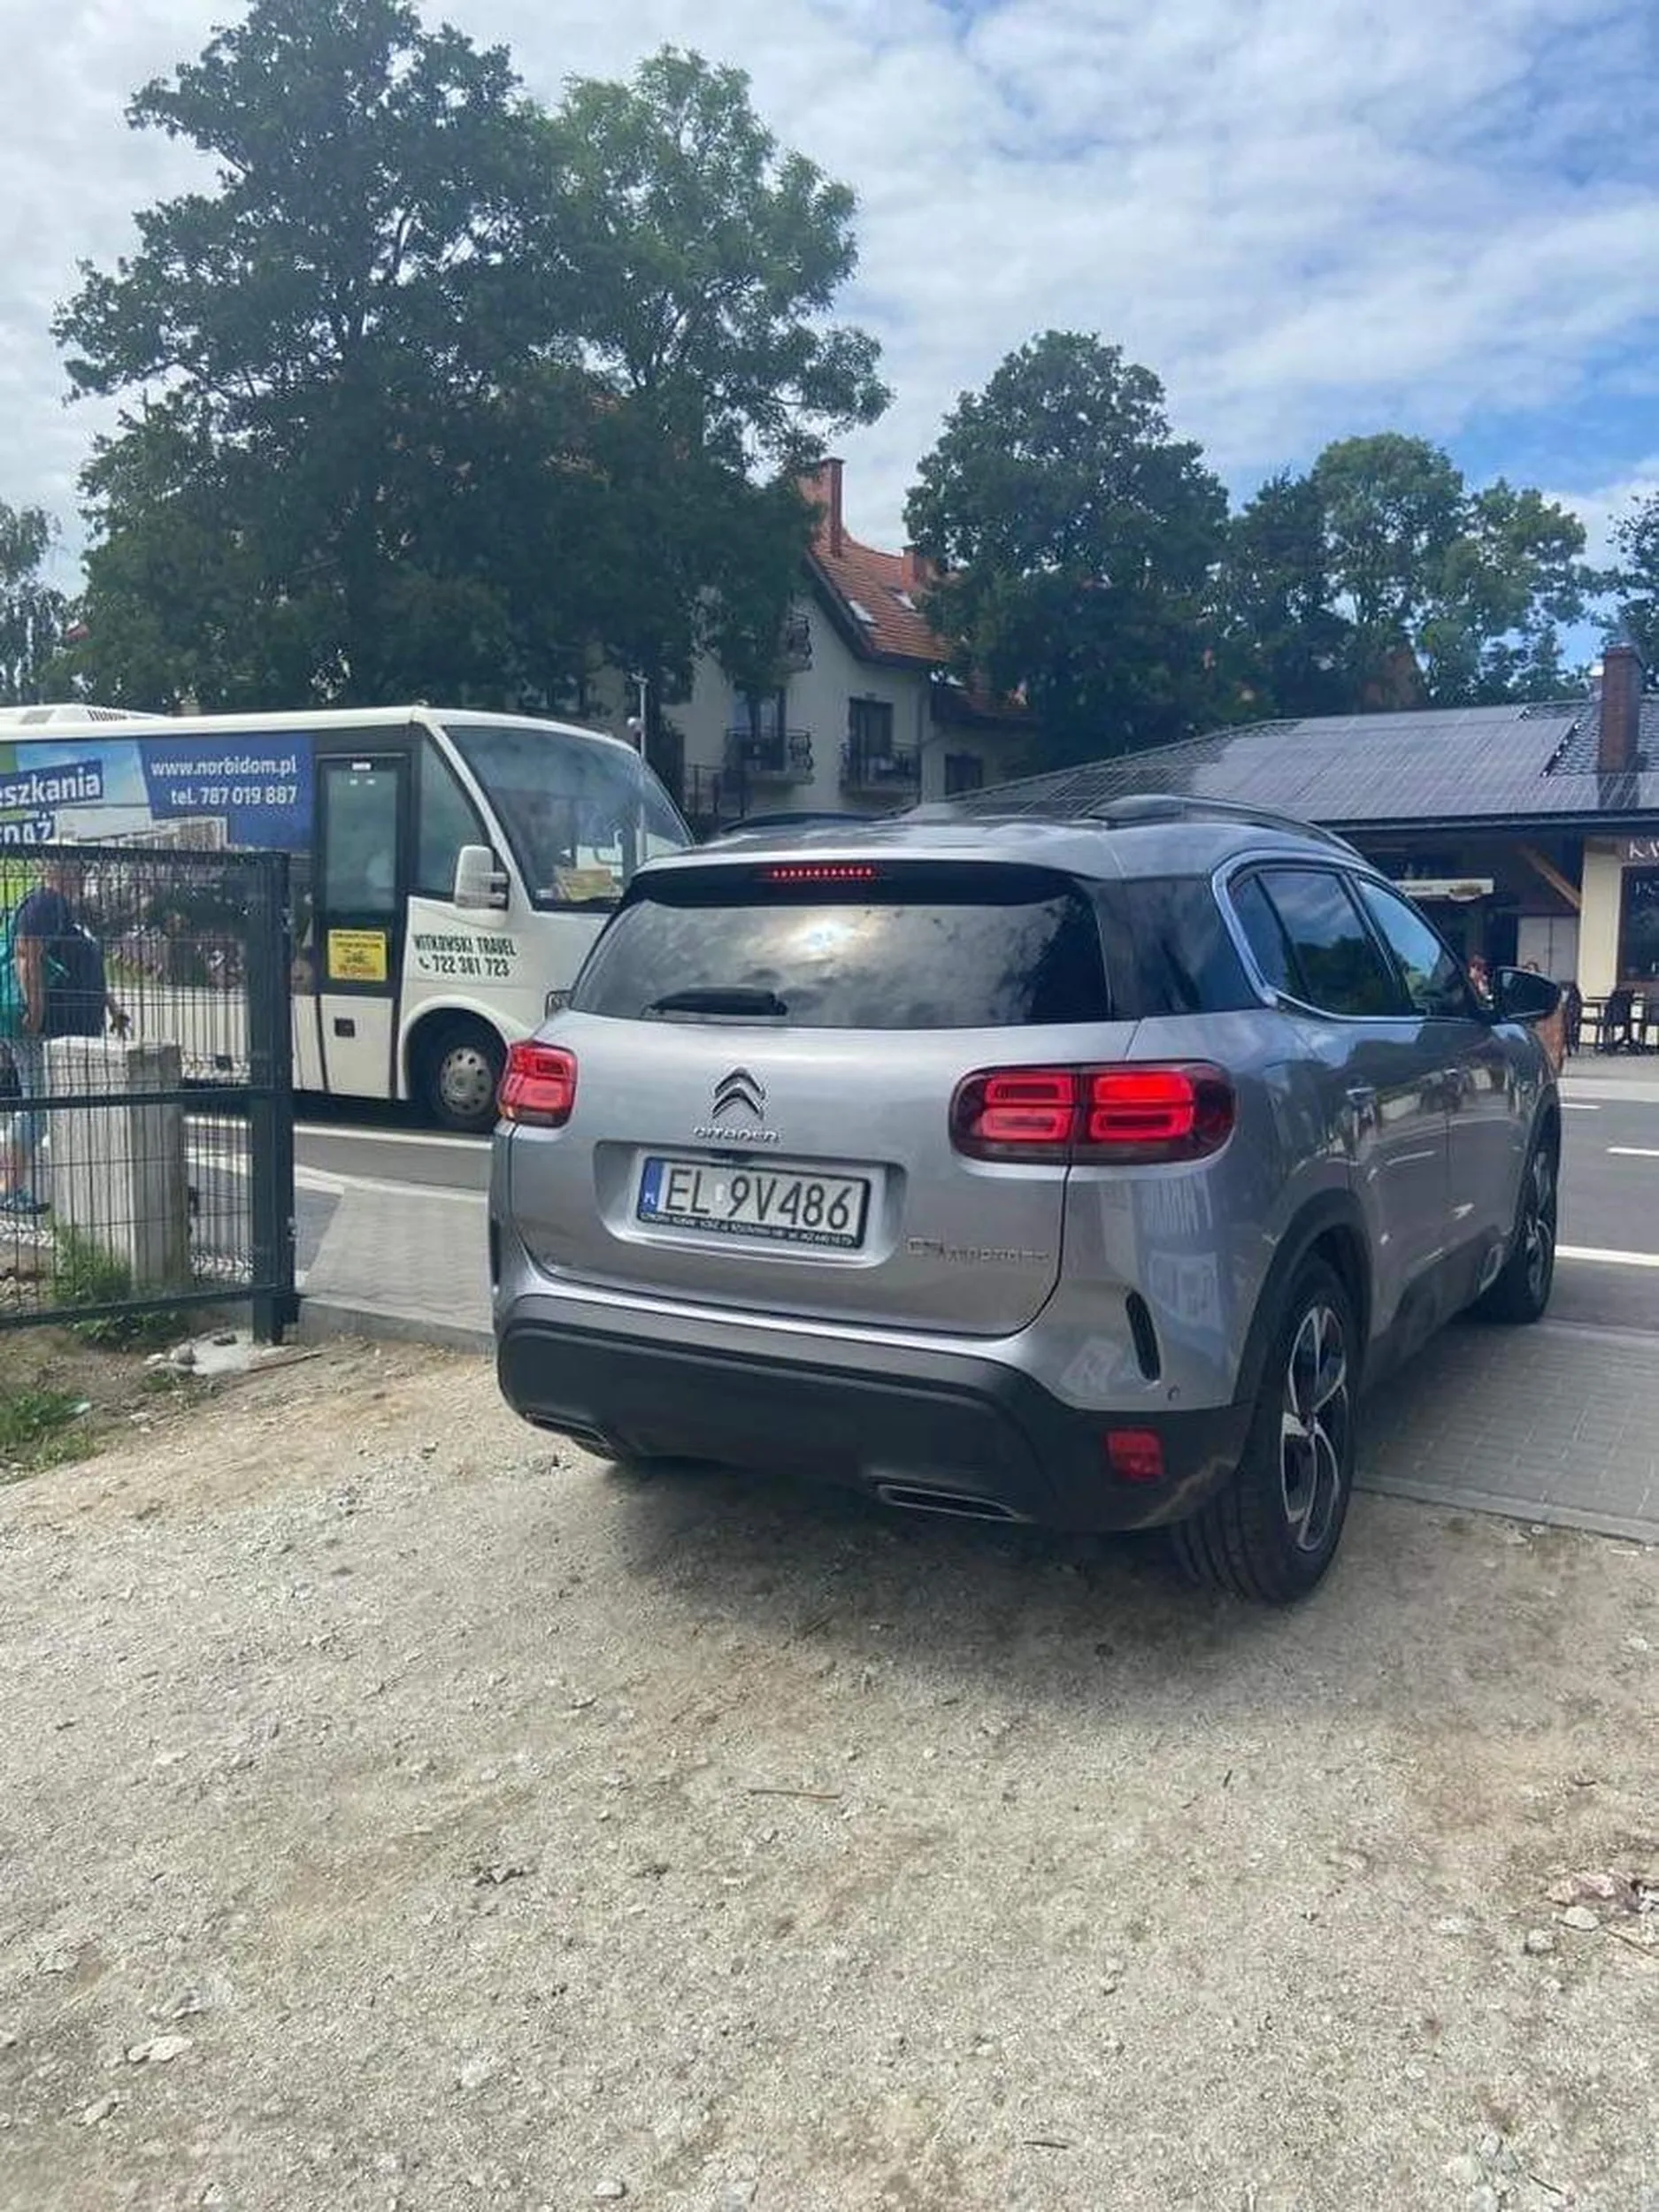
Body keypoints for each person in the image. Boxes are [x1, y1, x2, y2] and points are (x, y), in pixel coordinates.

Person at [3, 855, 129, 1216]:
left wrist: (112, 1007)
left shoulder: (67, 911)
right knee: (38, 1106)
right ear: (52, 870)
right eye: (73, 867)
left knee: (55, 1107)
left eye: (80, 867)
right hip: (44, 1030)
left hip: (69, 1032)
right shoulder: (45, 903)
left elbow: (84, 968)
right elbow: (27, 952)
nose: (79, 874)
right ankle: (7, 1187)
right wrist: (36, 1009)